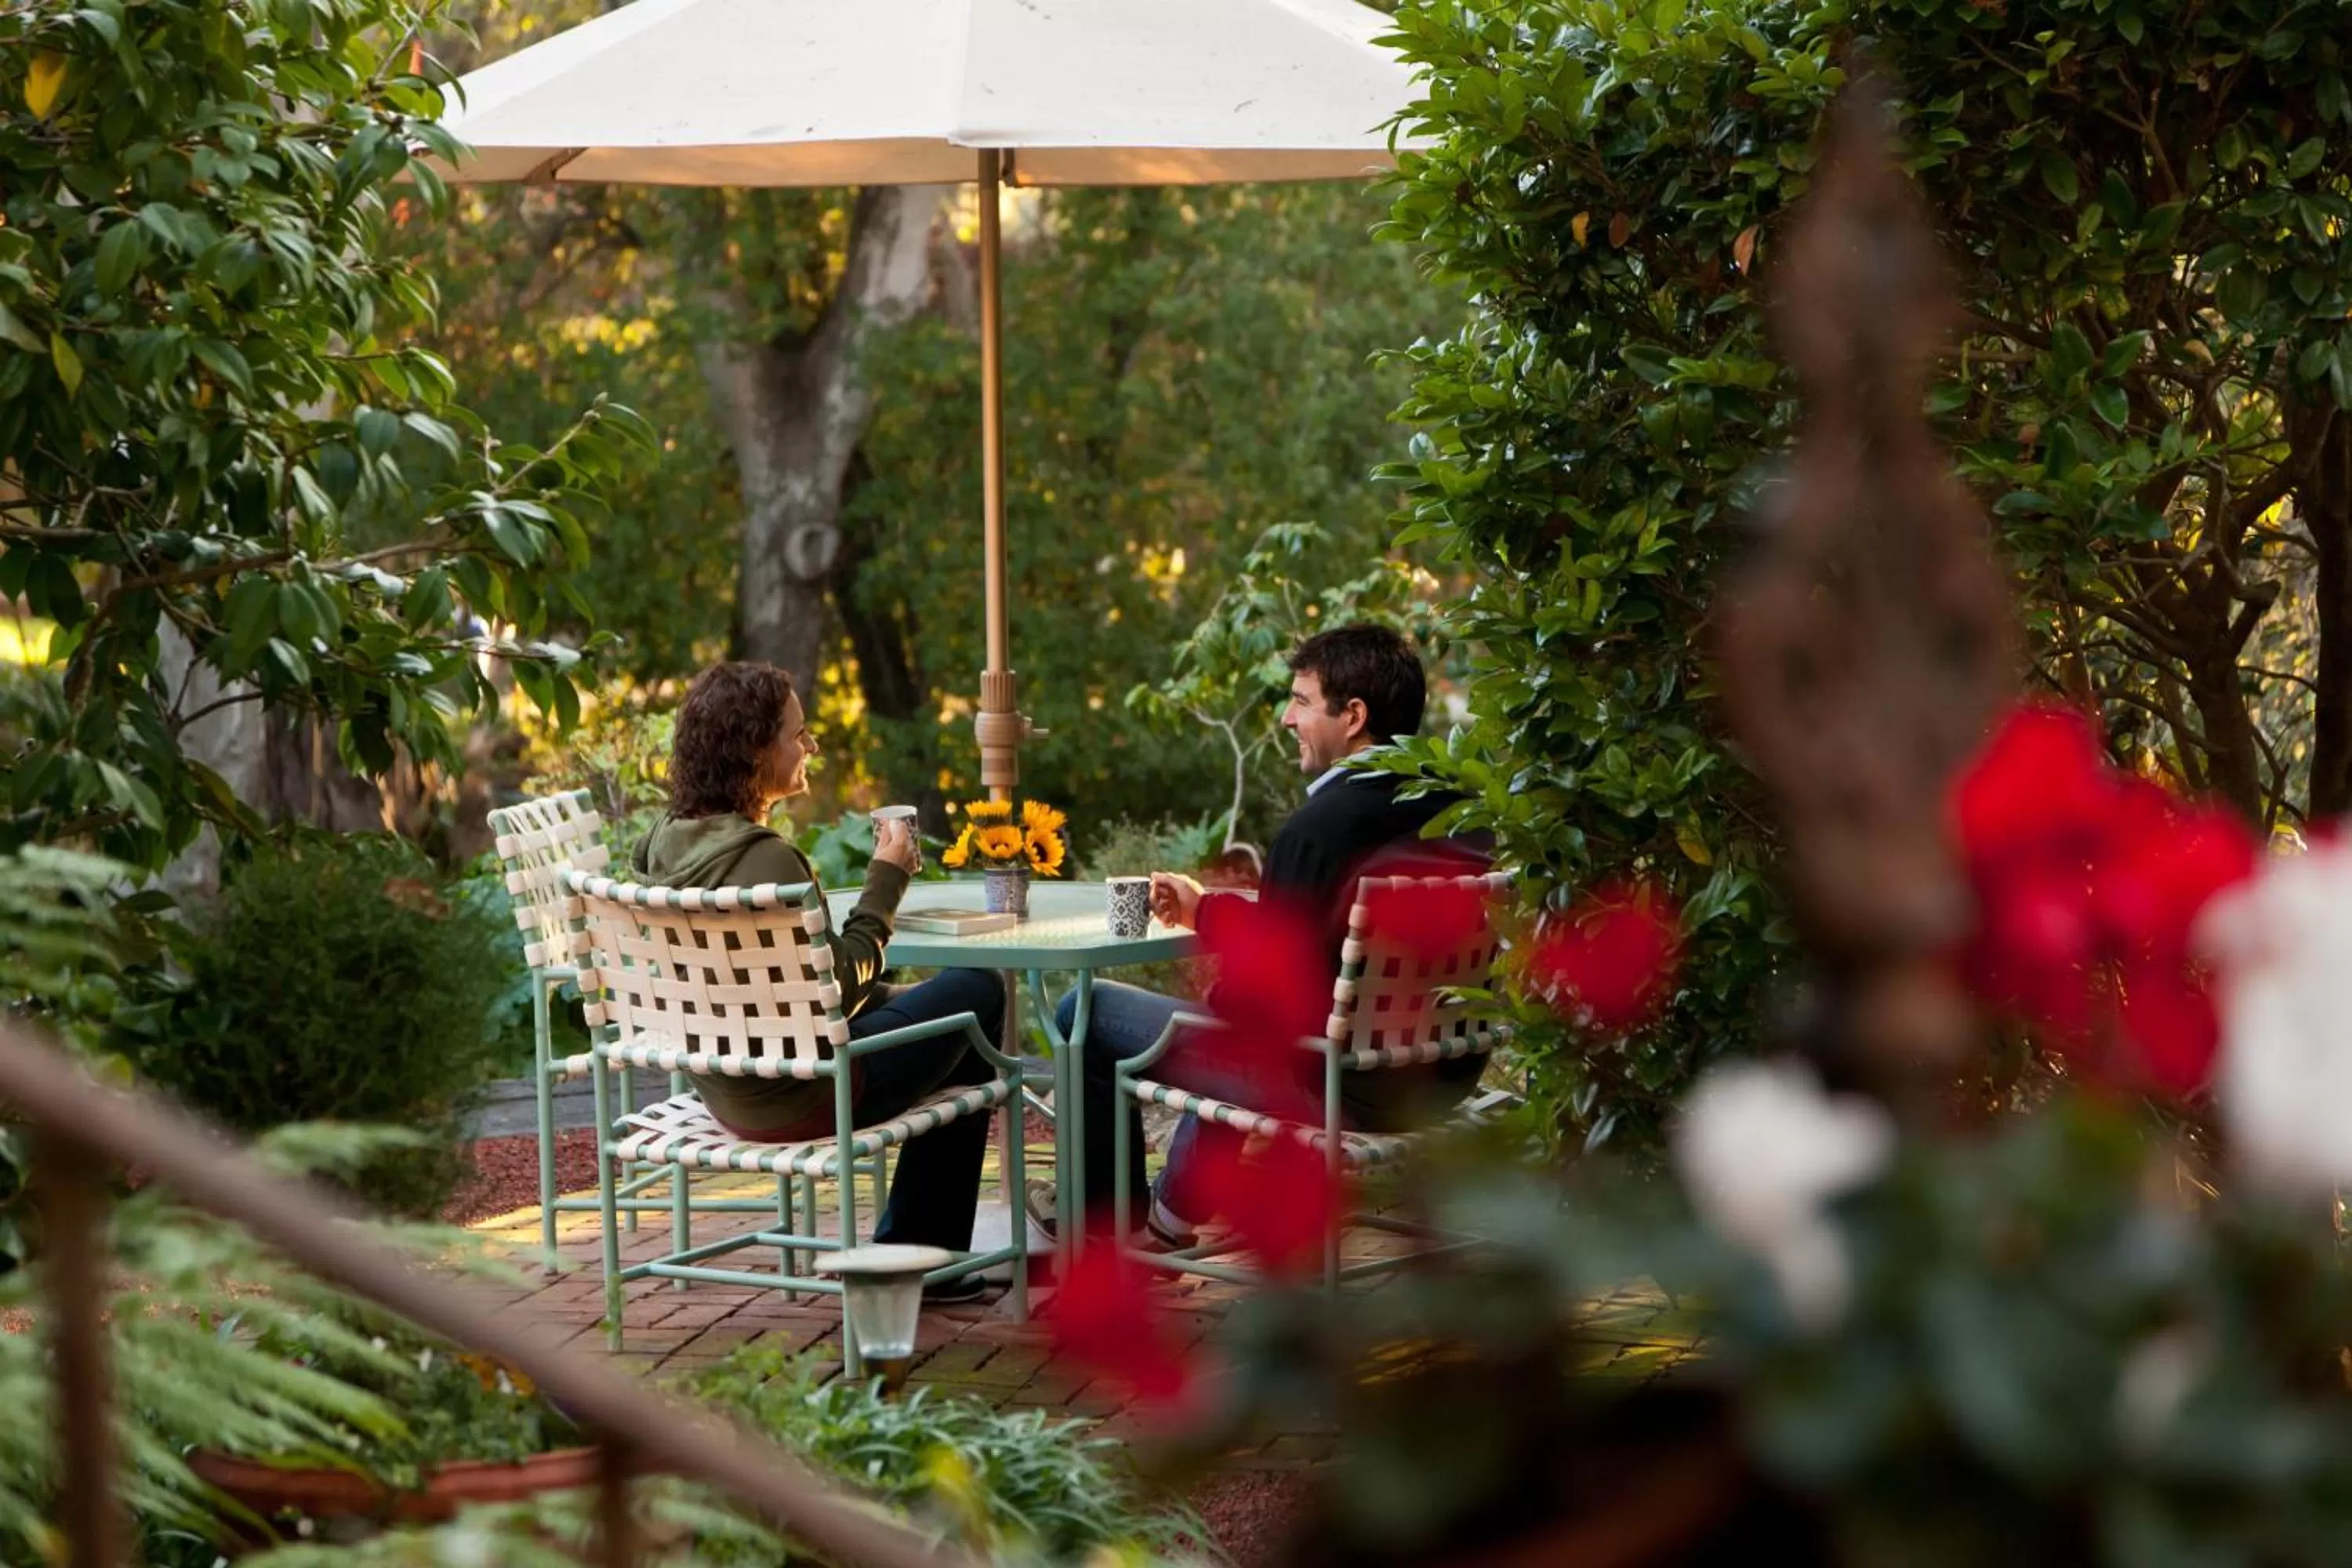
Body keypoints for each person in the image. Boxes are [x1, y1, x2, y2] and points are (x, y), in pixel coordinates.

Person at [1035, 624, 1486, 1247]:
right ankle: (1170, 1218)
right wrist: (1208, 912)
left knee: (1083, 1012)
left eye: (1301, 701)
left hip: (1335, 1088)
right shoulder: (1459, 809)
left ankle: (1104, 1228)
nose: (1286, 719)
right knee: (1231, 1015)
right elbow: (1315, 936)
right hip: (1440, 1081)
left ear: (1353, 716)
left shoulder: (1318, 830)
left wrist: (1220, 997)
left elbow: (1265, 997)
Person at [631, 662, 1000, 1298]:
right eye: (798, 733)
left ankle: (918, 1250)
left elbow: (786, 994)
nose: (812, 745)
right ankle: (917, 1253)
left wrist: (900, 1000)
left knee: (950, 1020)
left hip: (728, 1089)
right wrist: (887, 877)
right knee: (979, 991)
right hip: (807, 1094)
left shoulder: (664, 841)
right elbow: (840, 988)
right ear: (755, 750)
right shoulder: (766, 860)